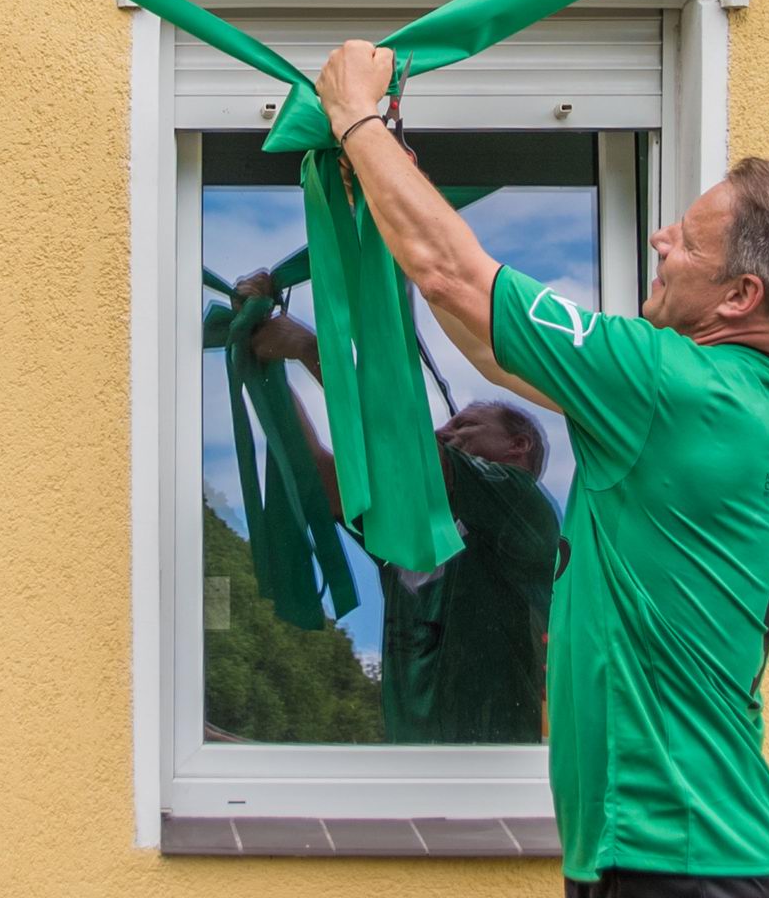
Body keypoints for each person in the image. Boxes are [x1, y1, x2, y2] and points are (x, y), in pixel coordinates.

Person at [314, 39, 769, 898]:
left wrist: (357, 116)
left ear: (740, 297)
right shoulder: (725, 402)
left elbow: (458, 278)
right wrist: (386, 184)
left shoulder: (673, 385)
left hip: (678, 865)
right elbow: (495, 352)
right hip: (675, 856)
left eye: (688, 239)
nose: (660, 237)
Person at [236, 285, 560, 745]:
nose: (444, 432)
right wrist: (264, 363)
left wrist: (310, 349)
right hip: (408, 764)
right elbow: (317, 474)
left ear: (518, 445)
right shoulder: (413, 521)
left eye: (464, 424)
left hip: (487, 771)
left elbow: (413, 454)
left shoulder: (521, 503)